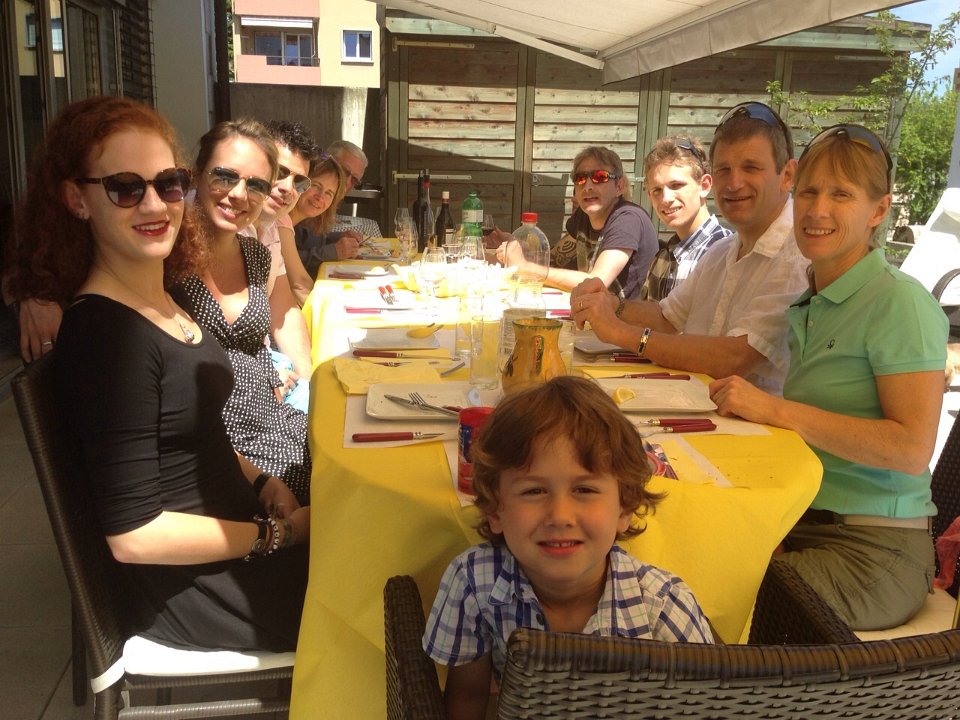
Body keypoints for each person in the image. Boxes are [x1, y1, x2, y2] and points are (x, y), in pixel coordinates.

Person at [14, 95, 308, 651]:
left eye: (168, 184)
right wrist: (279, 534)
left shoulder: (161, 300)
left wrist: (264, 482)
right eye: (125, 188)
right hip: (198, 589)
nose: (155, 205)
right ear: (77, 199)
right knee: (386, 590)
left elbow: (198, 435)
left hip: (235, 538)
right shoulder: (107, 336)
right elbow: (134, 535)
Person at [709, 124, 948, 631]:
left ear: (878, 210)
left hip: (875, 550)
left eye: (841, 194)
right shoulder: (813, 300)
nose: (817, 210)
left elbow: (911, 449)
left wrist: (775, 410)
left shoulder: (898, 301)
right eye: (809, 192)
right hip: (802, 523)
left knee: (716, 598)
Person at [423, 376, 713, 719]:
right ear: (496, 510)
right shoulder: (473, 583)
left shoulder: (662, 608)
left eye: (584, 490)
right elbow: (467, 697)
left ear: (624, 507)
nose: (560, 516)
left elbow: (705, 706)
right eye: (534, 491)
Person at [571, 102, 809, 394]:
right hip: (694, 406)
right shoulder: (723, 250)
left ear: (788, 175)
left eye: (751, 168)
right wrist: (610, 304)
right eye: (724, 170)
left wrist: (620, 332)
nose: (734, 183)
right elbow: (666, 317)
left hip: (744, 422)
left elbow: (734, 358)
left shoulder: (799, 253)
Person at [173, 119, 312, 504]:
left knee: (345, 453)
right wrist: (39, 295)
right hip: (223, 448)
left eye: (256, 185)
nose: (239, 194)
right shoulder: (169, 257)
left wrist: (300, 378)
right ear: (197, 174)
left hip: (273, 420)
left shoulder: (255, 255)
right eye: (224, 176)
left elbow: (280, 317)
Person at [496, 146, 658, 299]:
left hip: (628, 318)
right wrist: (521, 248)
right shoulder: (583, 215)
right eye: (580, 178)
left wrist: (525, 267)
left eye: (600, 177)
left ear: (619, 186)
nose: (587, 186)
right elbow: (555, 260)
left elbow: (596, 283)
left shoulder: (628, 219)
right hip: (592, 311)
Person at [244, 119, 318, 411]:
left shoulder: (272, 226)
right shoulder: (228, 230)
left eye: (299, 182)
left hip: (270, 366)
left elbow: (284, 310)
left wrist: (310, 380)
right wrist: (266, 375)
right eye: (280, 172)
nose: (288, 188)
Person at [639, 134, 731, 301]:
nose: (666, 198)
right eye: (657, 190)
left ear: (704, 186)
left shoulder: (727, 254)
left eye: (676, 185)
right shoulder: (661, 260)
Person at [285, 154, 349, 286]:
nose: (320, 197)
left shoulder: (302, 222)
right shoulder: (281, 220)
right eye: (316, 186)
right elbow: (291, 267)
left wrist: (339, 236)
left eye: (328, 193)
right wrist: (332, 252)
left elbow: (311, 239)